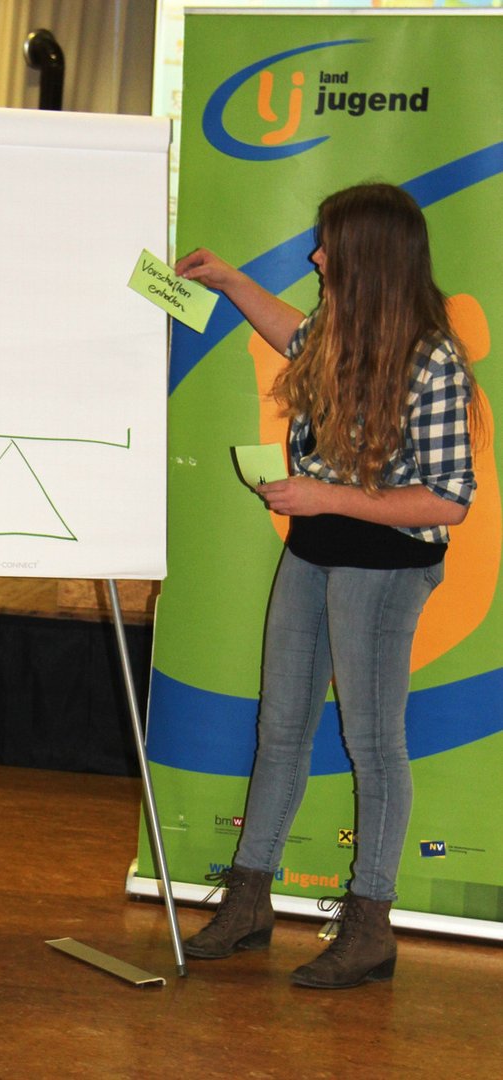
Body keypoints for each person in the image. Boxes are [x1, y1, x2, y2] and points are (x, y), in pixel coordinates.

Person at [173, 183, 478, 989]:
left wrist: (328, 497)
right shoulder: (341, 331)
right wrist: (230, 281)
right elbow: (293, 333)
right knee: (280, 729)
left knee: (372, 745)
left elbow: (450, 499)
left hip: (385, 566)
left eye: (328, 247)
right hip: (314, 552)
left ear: (369, 261)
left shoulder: (434, 360)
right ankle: (249, 901)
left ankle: (370, 925)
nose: (315, 257)